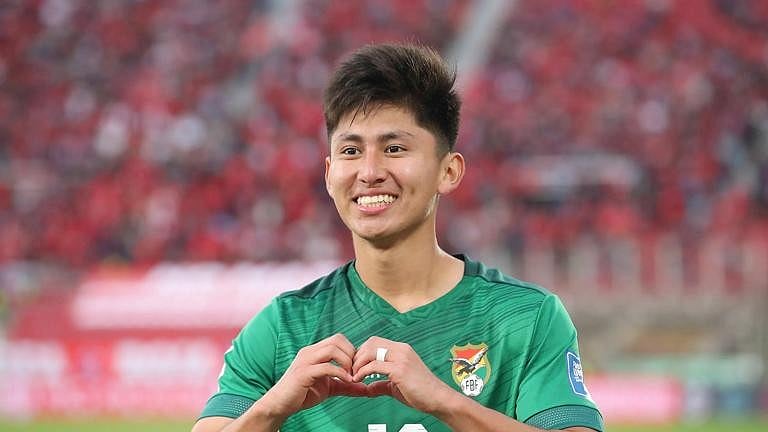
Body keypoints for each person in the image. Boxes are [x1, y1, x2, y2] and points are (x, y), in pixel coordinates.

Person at [192, 43, 604, 432]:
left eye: (394, 148)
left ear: (449, 171)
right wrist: (272, 407)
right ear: (329, 173)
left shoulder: (525, 318)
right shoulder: (284, 326)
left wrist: (445, 401)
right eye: (351, 152)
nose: (369, 172)